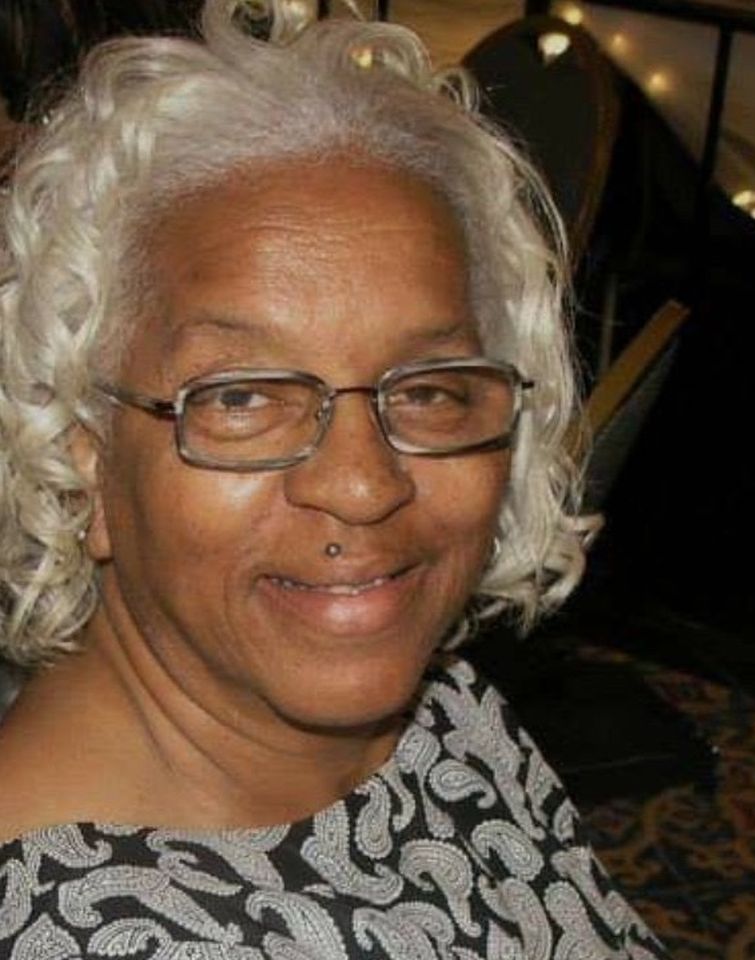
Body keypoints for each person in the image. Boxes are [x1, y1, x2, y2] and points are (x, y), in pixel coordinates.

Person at [0, 1, 666, 956]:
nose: (362, 486)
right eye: (241, 398)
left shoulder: (440, 707)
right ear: (83, 449)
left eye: (428, 390)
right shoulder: (76, 932)